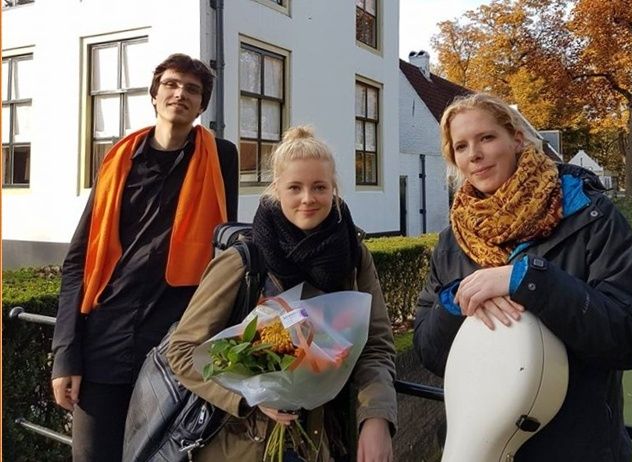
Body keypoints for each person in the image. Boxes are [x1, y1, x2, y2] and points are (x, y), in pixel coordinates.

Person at [413, 93, 632, 461]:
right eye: (461, 146)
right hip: (480, 450)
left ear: (516, 139)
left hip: (576, 450)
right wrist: (457, 300)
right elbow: (430, 353)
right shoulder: (453, 241)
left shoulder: (590, 217)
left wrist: (530, 281)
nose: (474, 154)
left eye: (486, 138)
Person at [166, 126, 397, 462]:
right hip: (245, 444)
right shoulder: (244, 261)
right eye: (295, 187)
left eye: (320, 187)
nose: (308, 198)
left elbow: (375, 345)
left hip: (323, 442)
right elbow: (183, 352)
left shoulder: (353, 256)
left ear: (334, 190)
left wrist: (376, 416)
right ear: (276, 191)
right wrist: (249, 395)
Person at [51, 53, 239, 462]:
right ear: (154, 96)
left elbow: (228, 251)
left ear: (202, 105)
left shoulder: (221, 157)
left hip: (173, 345)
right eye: (171, 85)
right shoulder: (117, 161)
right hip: (105, 340)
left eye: (192, 89)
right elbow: (78, 260)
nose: (180, 94)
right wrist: (65, 353)